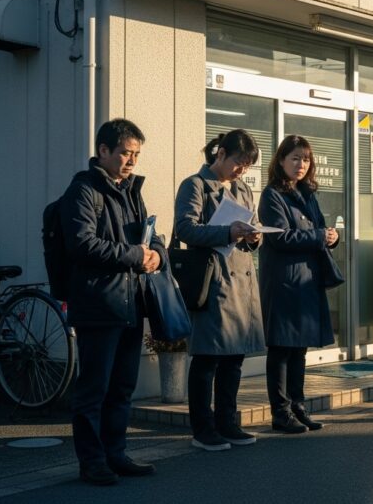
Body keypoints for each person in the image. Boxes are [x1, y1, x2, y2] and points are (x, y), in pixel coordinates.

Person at [60, 118, 166, 486]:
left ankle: (116, 453)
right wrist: (137, 256)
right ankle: (92, 461)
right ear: (102, 151)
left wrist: (157, 256)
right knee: (94, 389)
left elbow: (153, 237)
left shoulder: (132, 191)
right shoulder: (83, 191)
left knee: (122, 387)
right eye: (124, 153)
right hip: (97, 304)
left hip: (131, 303)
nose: (131, 161)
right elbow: (82, 245)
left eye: (136, 154)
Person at [174, 130, 267, 451]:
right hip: (212, 280)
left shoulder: (242, 188)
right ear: (221, 154)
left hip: (241, 279)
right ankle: (203, 428)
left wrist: (255, 237)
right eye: (239, 163)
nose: (241, 171)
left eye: (247, 166)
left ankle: (228, 423)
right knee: (207, 358)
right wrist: (227, 231)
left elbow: (253, 224)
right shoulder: (195, 185)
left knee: (234, 359)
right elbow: (185, 228)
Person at [258, 135, 339, 434]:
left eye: (305, 159)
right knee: (281, 349)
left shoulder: (306, 192)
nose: (301, 164)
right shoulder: (272, 195)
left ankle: (298, 406)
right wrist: (319, 236)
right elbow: (279, 237)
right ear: (280, 161)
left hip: (306, 280)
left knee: (299, 350)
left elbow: (317, 228)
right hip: (283, 282)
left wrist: (332, 236)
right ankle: (280, 412)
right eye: (294, 158)